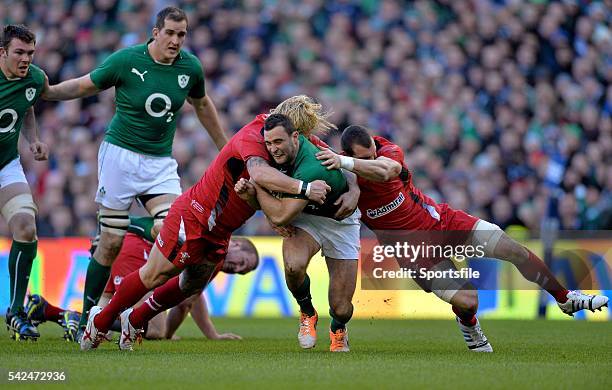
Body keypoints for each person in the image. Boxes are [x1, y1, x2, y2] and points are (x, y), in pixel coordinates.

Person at [78, 96, 339, 351]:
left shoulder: (297, 142)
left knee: (192, 284)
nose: (295, 143)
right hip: (195, 215)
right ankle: (98, 322)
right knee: (155, 274)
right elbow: (260, 174)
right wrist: (304, 188)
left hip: (221, 230)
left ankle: (135, 319)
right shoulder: (254, 135)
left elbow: (332, 162)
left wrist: (353, 191)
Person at [316, 125, 610, 352]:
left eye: (372, 155)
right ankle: (469, 324)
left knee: (513, 249)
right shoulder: (343, 182)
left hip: (443, 222)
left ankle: (565, 298)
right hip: (414, 252)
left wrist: (349, 163)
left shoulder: (387, 150)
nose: (372, 159)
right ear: (350, 155)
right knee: (469, 301)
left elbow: (387, 171)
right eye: (363, 158)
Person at [41, 6, 229, 334]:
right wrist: (49, 92)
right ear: (155, 32)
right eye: (169, 33)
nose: (175, 40)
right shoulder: (127, 60)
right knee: (111, 242)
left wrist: (226, 150)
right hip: (120, 158)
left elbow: (202, 105)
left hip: (159, 163)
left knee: (177, 235)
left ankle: (139, 308)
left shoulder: (190, 68)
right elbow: (85, 86)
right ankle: (87, 317)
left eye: (181, 34)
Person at [235, 113, 361, 352]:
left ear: (295, 137)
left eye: (278, 142)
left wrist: (256, 189)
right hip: (306, 218)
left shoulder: (311, 168)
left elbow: (280, 216)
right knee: (293, 266)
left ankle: (338, 328)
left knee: (342, 307)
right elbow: (274, 211)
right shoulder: (273, 153)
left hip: (339, 222)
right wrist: (252, 193)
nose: (273, 149)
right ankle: (307, 312)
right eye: (269, 143)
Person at [26, 216, 257, 341]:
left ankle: (48, 311)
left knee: (103, 313)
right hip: (137, 251)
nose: (236, 269)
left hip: (130, 246)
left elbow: (191, 298)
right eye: (241, 263)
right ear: (236, 243)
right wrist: (168, 334)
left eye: (241, 272)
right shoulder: (215, 251)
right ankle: (70, 317)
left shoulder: (215, 255)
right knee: (152, 329)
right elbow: (187, 301)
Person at [0, 24, 50, 341]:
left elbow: (27, 105)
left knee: (26, 227)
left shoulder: (33, 78)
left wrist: (33, 139)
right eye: (19, 52)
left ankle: (16, 311)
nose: (26, 59)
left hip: (6, 164)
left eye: (30, 53)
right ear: (2, 52)